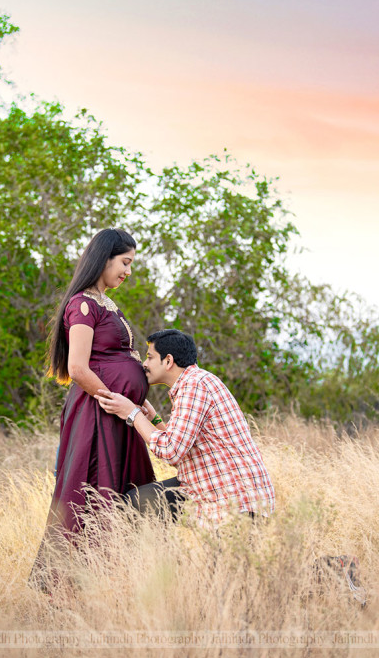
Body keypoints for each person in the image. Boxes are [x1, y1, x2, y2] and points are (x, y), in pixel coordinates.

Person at [29, 229, 156, 586]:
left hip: (119, 415)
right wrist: (118, 401)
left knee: (125, 490)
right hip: (99, 415)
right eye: (125, 263)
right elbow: (78, 368)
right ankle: (68, 582)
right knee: (91, 491)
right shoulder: (82, 304)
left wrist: (139, 401)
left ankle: (118, 577)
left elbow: (119, 360)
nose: (128, 272)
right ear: (105, 258)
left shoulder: (106, 303)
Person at [96, 329, 275, 524]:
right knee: (140, 500)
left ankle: (160, 552)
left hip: (234, 502)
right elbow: (180, 450)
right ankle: (160, 553)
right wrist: (153, 418)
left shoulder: (194, 386)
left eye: (150, 357)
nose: (144, 364)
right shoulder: (195, 382)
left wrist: (132, 413)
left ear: (168, 361)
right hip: (214, 489)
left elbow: (170, 451)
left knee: (138, 502)